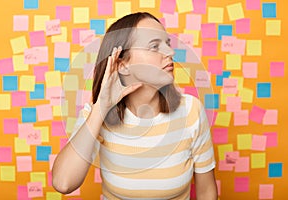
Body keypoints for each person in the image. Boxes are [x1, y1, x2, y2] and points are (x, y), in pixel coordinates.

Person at [52, 12, 217, 200]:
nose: (170, 53)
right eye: (154, 46)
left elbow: (206, 192)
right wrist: (102, 107)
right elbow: (63, 182)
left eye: (167, 44)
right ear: (122, 64)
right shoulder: (96, 115)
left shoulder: (190, 110)